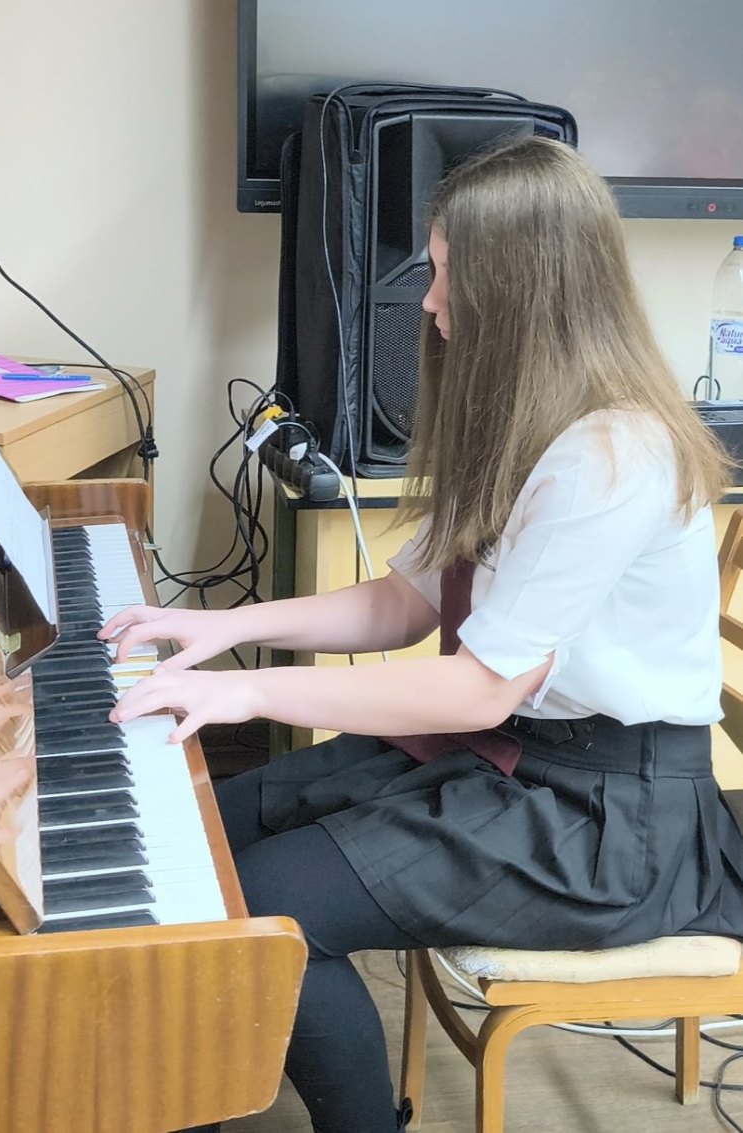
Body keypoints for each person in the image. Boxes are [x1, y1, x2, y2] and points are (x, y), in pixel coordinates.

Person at [99, 136, 743, 1133]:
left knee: (267, 905)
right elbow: (400, 604)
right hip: (519, 760)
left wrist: (248, 690)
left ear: (519, 287)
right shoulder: (534, 425)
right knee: (205, 831)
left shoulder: (613, 454)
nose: (432, 304)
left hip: (607, 820)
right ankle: (183, 1089)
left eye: (447, 276)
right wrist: (214, 629)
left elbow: (479, 687)